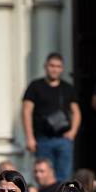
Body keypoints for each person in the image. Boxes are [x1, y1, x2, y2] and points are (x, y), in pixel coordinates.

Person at [22, 52, 81, 181]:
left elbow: (76, 111)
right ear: (46, 66)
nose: (54, 69)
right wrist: (29, 137)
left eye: (58, 66)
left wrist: (73, 132)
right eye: (52, 65)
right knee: (43, 176)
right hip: (42, 139)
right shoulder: (35, 86)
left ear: (62, 68)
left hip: (63, 140)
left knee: (64, 177)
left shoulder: (67, 88)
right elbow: (26, 110)